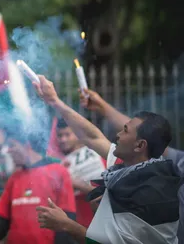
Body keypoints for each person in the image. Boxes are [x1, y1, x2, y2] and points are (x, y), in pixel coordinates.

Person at [34, 76, 182, 244]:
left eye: (125, 131)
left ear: (140, 145)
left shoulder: (150, 194)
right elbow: (92, 137)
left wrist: (66, 224)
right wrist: (55, 101)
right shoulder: (135, 168)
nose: (118, 134)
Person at [0, 127, 76, 244]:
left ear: (27, 145)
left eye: (12, 146)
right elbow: (0, 221)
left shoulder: (58, 172)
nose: (8, 150)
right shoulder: (15, 178)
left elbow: (67, 220)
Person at [55, 119, 106, 228]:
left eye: (67, 134)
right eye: (60, 136)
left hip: (101, 224)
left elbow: (106, 194)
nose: (63, 139)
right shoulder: (59, 164)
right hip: (77, 226)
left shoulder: (99, 156)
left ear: (78, 134)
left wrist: (74, 183)